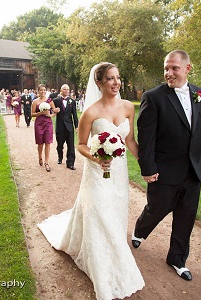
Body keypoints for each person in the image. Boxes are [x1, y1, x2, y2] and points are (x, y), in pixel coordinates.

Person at [38, 62, 144, 300]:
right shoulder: (91, 112)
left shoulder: (128, 107)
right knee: (98, 213)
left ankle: (112, 251)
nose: (115, 82)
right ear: (99, 82)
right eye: (109, 78)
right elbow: (81, 144)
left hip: (119, 174)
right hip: (97, 173)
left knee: (114, 213)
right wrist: (97, 157)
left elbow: (130, 141)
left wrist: (146, 164)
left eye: (117, 78)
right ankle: (100, 267)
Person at [132, 50, 201, 281]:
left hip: (193, 171)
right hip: (164, 170)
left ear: (187, 68)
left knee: (186, 216)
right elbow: (146, 138)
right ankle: (140, 230)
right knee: (157, 208)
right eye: (166, 69)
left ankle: (177, 259)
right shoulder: (153, 97)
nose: (169, 73)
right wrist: (148, 169)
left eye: (174, 68)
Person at [31, 84, 60, 172]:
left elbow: (55, 112)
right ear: (38, 91)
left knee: (48, 142)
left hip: (48, 123)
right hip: (39, 123)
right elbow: (32, 114)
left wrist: (50, 115)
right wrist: (41, 113)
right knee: (40, 143)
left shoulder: (49, 101)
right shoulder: (35, 101)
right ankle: (40, 157)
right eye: (41, 90)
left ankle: (46, 162)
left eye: (44, 90)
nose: (43, 92)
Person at [53, 84, 79, 170]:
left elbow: (75, 115)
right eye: (64, 89)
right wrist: (53, 110)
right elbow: (50, 108)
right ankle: (60, 158)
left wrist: (76, 126)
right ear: (61, 90)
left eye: (67, 89)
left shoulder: (72, 101)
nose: (66, 91)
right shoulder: (56, 100)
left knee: (71, 146)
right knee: (60, 145)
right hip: (60, 126)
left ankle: (70, 163)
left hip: (69, 126)